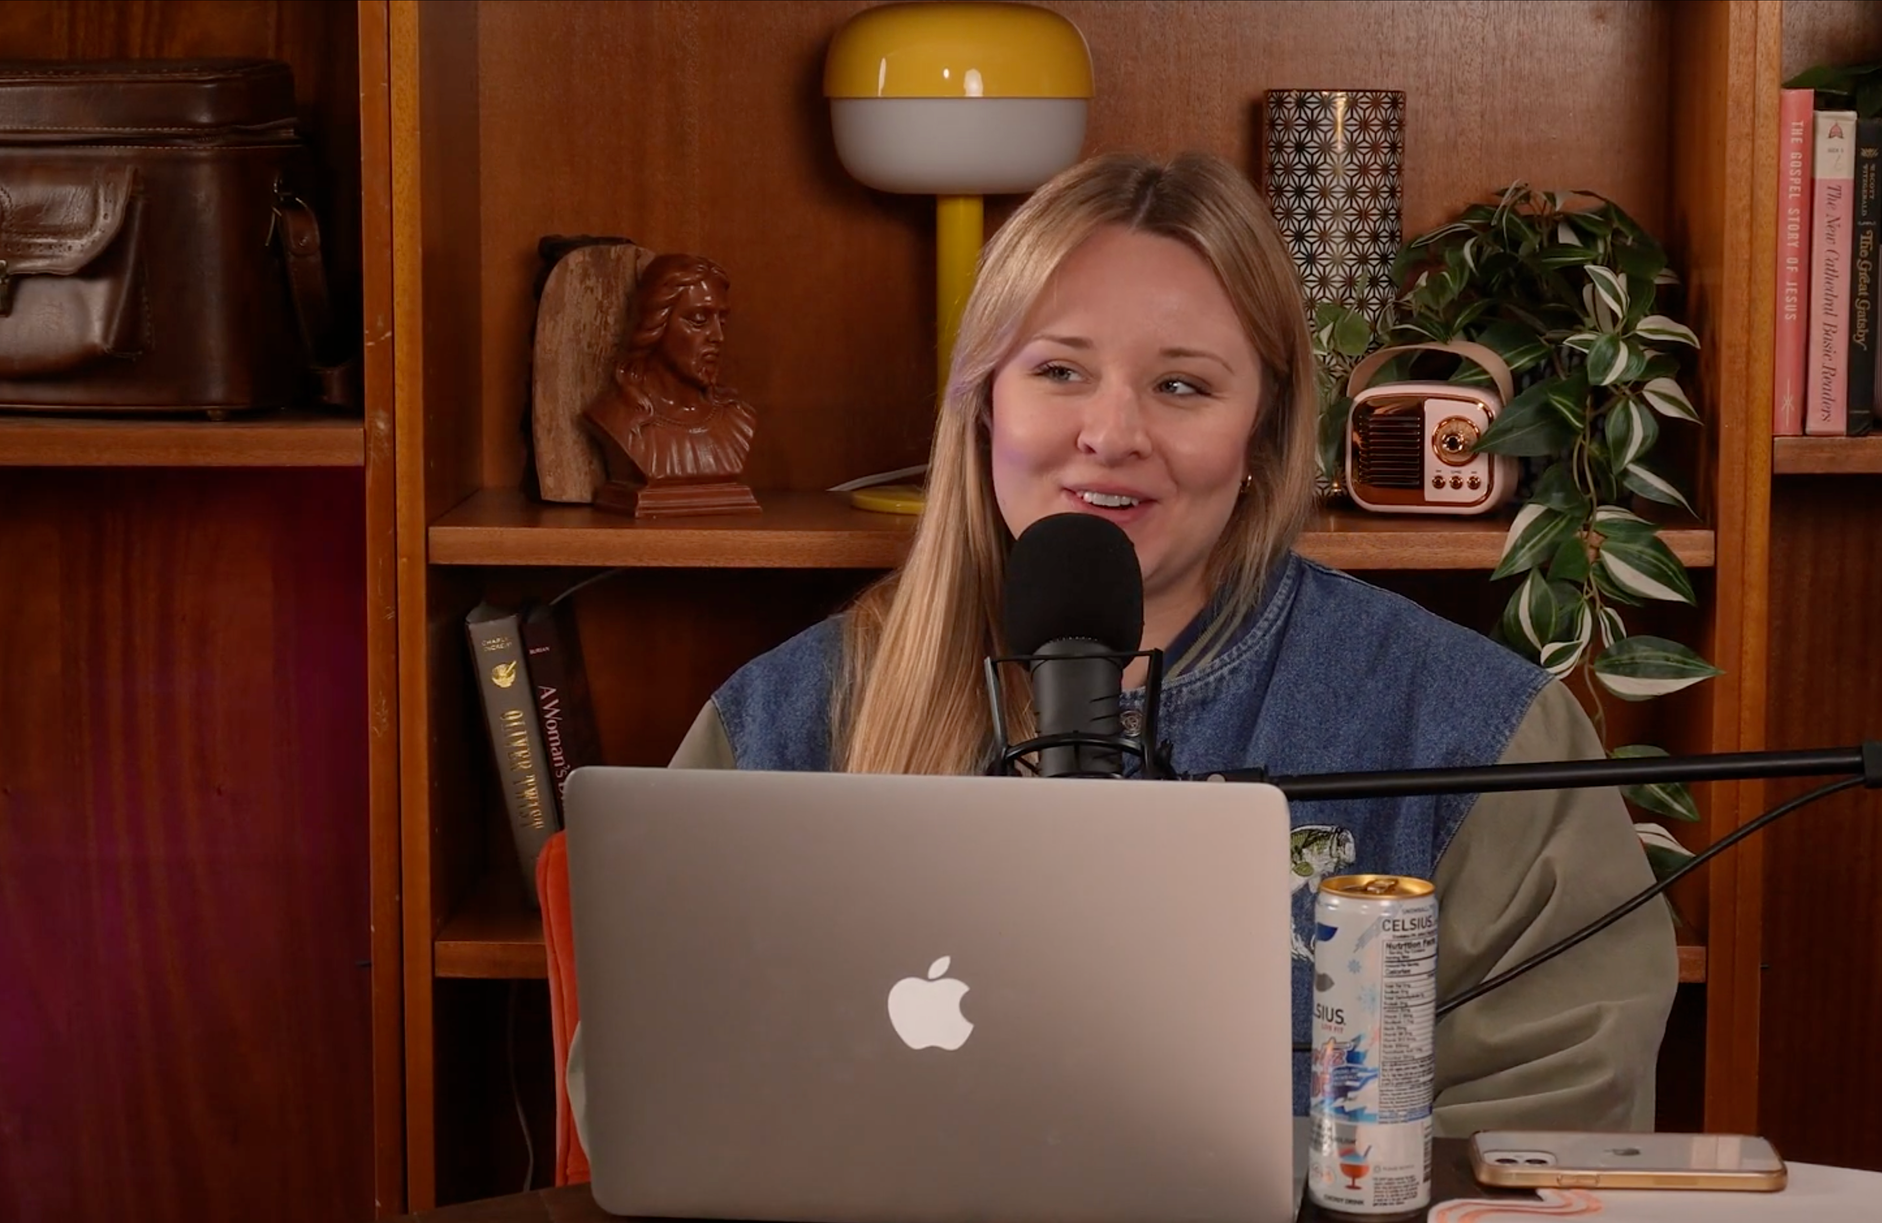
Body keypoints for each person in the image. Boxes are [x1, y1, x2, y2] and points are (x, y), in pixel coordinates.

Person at [576, 152, 1675, 1145]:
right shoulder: (780, 722)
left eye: (1182, 385)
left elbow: (1553, 1128)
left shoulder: (1474, 734)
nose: (1110, 432)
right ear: (982, 405)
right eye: (1057, 370)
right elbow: (652, 1086)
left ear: (1260, 435)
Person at [584, 253, 757, 486]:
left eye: (722, 321)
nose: (718, 336)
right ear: (655, 324)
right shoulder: (618, 419)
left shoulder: (739, 419)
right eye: (698, 319)